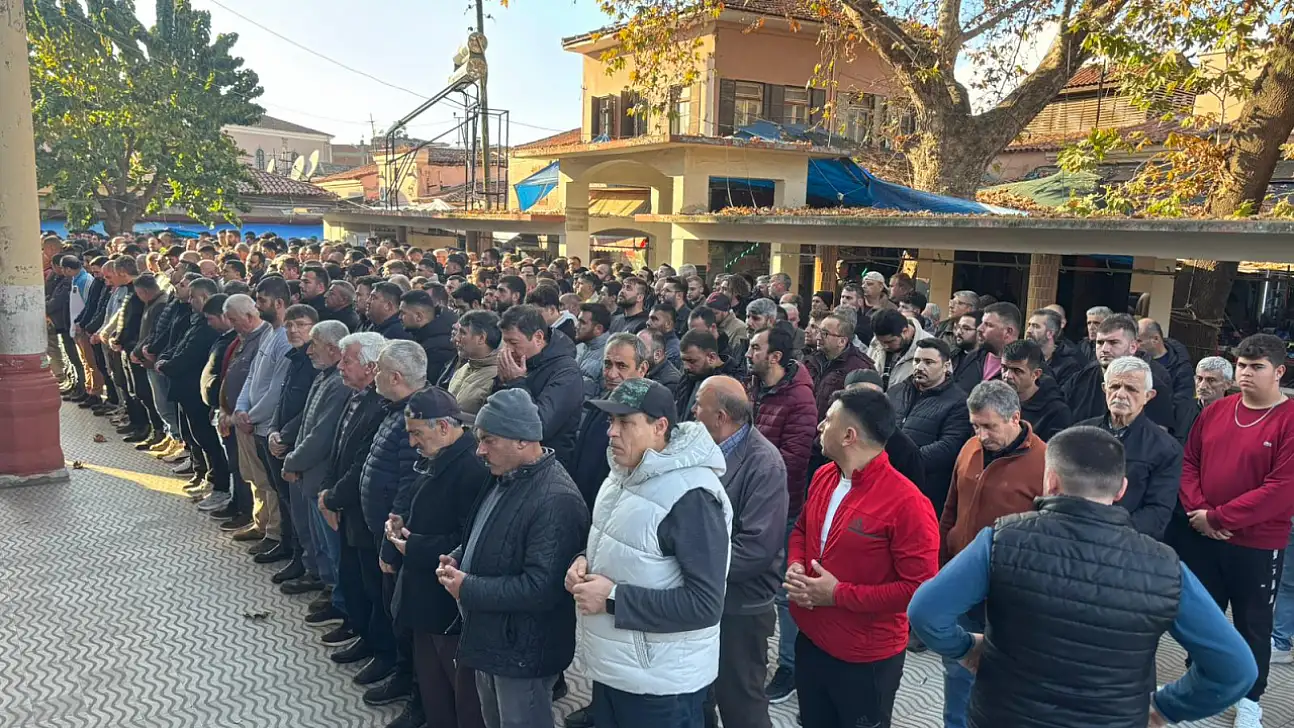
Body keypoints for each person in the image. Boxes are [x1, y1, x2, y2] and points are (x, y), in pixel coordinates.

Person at [908, 427, 1258, 728]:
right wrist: (1168, 707)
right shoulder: (1165, 566)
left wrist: (966, 648)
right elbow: (1236, 668)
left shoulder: (1002, 539)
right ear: (1120, 489)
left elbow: (925, 611)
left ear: (1050, 480)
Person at [568, 378, 732, 728]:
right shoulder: (624, 473)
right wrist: (582, 561)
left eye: (625, 422)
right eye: (611, 421)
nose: (611, 432)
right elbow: (626, 542)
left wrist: (611, 598)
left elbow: (705, 605)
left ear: (660, 427)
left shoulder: (692, 497)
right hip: (617, 667)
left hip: (661, 686)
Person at [788, 387, 939, 728]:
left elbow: (919, 590)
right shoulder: (824, 476)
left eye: (828, 419)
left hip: (865, 657)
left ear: (849, 436)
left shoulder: (907, 503)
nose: (819, 426)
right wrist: (796, 565)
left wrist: (837, 594)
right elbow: (801, 529)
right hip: (811, 638)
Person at [439, 389, 590, 728]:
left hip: (524, 654)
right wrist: (460, 557)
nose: (479, 450)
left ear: (523, 440)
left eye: (488, 440)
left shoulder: (556, 500)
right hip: (494, 640)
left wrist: (468, 587)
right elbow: (491, 533)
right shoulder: (506, 475)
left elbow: (542, 589)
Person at [1175, 334, 1294, 728]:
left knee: (1252, 624)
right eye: (1242, 365)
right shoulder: (1217, 410)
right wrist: (1200, 512)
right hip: (1203, 533)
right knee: (1201, 617)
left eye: (1257, 367)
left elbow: (1281, 489)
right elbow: (1189, 462)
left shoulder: (1289, 419)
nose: (1246, 373)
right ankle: (1196, 685)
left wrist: (1220, 518)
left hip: (1257, 543)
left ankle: (1251, 699)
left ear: (1279, 371)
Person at [939, 380, 1048, 728]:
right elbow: (951, 507)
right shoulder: (969, 448)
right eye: (975, 426)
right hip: (962, 579)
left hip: (1011, 590)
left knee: (1008, 677)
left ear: (1015, 417)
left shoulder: (1045, 462)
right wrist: (942, 560)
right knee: (957, 670)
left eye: (989, 426)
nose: (981, 435)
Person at [387, 388, 489, 728]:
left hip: (446, 606)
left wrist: (414, 546)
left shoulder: (472, 467)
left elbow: (469, 540)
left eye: (417, 433)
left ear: (444, 427)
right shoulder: (439, 454)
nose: (412, 442)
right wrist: (403, 523)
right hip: (424, 595)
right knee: (432, 687)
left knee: (458, 694)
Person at [693, 376, 788, 728]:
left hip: (740, 604)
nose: (693, 411)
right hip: (705, 595)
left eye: (699, 405)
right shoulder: (701, 448)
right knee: (698, 693)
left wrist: (693, 566)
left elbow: (756, 549)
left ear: (720, 416)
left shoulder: (764, 463)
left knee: (739, 699)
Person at [319, 333, 393, 675]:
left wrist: (333, 496)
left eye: (347, 360)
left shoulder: (379, 406)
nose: (340, 366)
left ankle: (383, 651)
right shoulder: (355, 397)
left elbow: (362, 464)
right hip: (346, 505)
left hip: (365, 511)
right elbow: (339, 452)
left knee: (372, 587)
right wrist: (327, 490)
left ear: (371, 367)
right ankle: (362, 633)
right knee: (354, 577)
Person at [1073, 356, 1182, 540]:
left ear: (1148, 396)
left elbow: (1158, 511)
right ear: (1104, 389)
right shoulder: (1079, 434)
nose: (1121, 394)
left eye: (1131, 389)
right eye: (1114, 387)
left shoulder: (1166, 448)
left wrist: (1110, 532)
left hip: (1128, 541)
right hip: (1076, 534)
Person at [279, 321, 351, 597]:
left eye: (314, 345)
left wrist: (292, 461)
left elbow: (321, 436)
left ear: (332, 348)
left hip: (319, 476)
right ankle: (324, 583)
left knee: (330, 546)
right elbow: (307, 422)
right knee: (317, 540)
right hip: (308, 475)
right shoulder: (324, 376)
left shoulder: (339, 384)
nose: (309, 351)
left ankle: (336, 596)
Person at [886, 338, 972, 517]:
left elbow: (949, 446)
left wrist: (909, 461)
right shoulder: (896, 391)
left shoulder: (959, 402)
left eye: (928, 362)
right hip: (886, 481)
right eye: (916, 361)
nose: (919, 367)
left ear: (946, 366)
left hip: (925, 489)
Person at [747, 323, 818, 532]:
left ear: (775, 357)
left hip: (776, 504)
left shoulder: (800, 398)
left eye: (755, 348)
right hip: (749, 497)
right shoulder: (753, 385)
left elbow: (793, 460)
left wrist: (749, 476)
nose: (748, 354)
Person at [495, 304, 584, 469]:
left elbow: (539, 425)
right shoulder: (520, 362)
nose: (508, 350)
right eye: (505, 343)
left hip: (546, 466)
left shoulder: (566, 372)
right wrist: (500, 382)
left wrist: (516, 382)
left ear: (538, 337)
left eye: (514, 342)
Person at [1065, 314, 1177, 432]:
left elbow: (1158, 434)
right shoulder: (1080, 378)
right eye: (1100, 343)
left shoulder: (1152, 385)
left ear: (1133, 347)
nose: (1104, 349)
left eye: (1113, 342)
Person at [805, 312, 873, 422]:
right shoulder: (810, 361)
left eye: (824, 334)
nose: (818, 337)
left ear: (842, 341)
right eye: (818, 331)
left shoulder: (859, 368)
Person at [999, 340, 1072, 441]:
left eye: (1017, 371)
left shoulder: (1056, 413)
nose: (1007, 376)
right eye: (1004, 368)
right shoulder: (994, 400)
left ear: (1036, 374)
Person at [674, 329, 741, 422]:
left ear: (711, 357)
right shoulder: (686, 379)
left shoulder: (731, 385)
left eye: (691, 361)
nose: (686, 367)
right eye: (683, 361)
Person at [401, 289, 458, 384]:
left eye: (403, 313)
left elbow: (432, 385)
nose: (399, 317)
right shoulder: (424, 337)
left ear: (418, 316)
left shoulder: (438, 349)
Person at [867, 308, 932, 391]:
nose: (884, 346)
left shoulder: (930, 348)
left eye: (890, 341)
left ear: (905, 331)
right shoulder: (877, 341)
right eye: (880, 342)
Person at [1179, 355, 1234, 440]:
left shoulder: (1235, 418)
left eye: (1211, 380)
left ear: (1227, 384)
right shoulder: (1180, 409)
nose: (1202, 386)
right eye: (1199, 379)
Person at [1025, 308, 1083, 384]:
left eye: (1036, 326)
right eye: (1029, 325)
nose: (1028, 330)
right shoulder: (1022, 356)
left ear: (1050, 333)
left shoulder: (1069, 365)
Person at [575, 302, 610, 399]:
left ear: (598, 329)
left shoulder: (609, 356)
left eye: (582, 322)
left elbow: (605, 398)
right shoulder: (579, 347)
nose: (576, 326)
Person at [638, 328, 682, 394]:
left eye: (641, 350)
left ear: (657, 355)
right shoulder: (642, 371)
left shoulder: (670, 383)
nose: (635, 354)